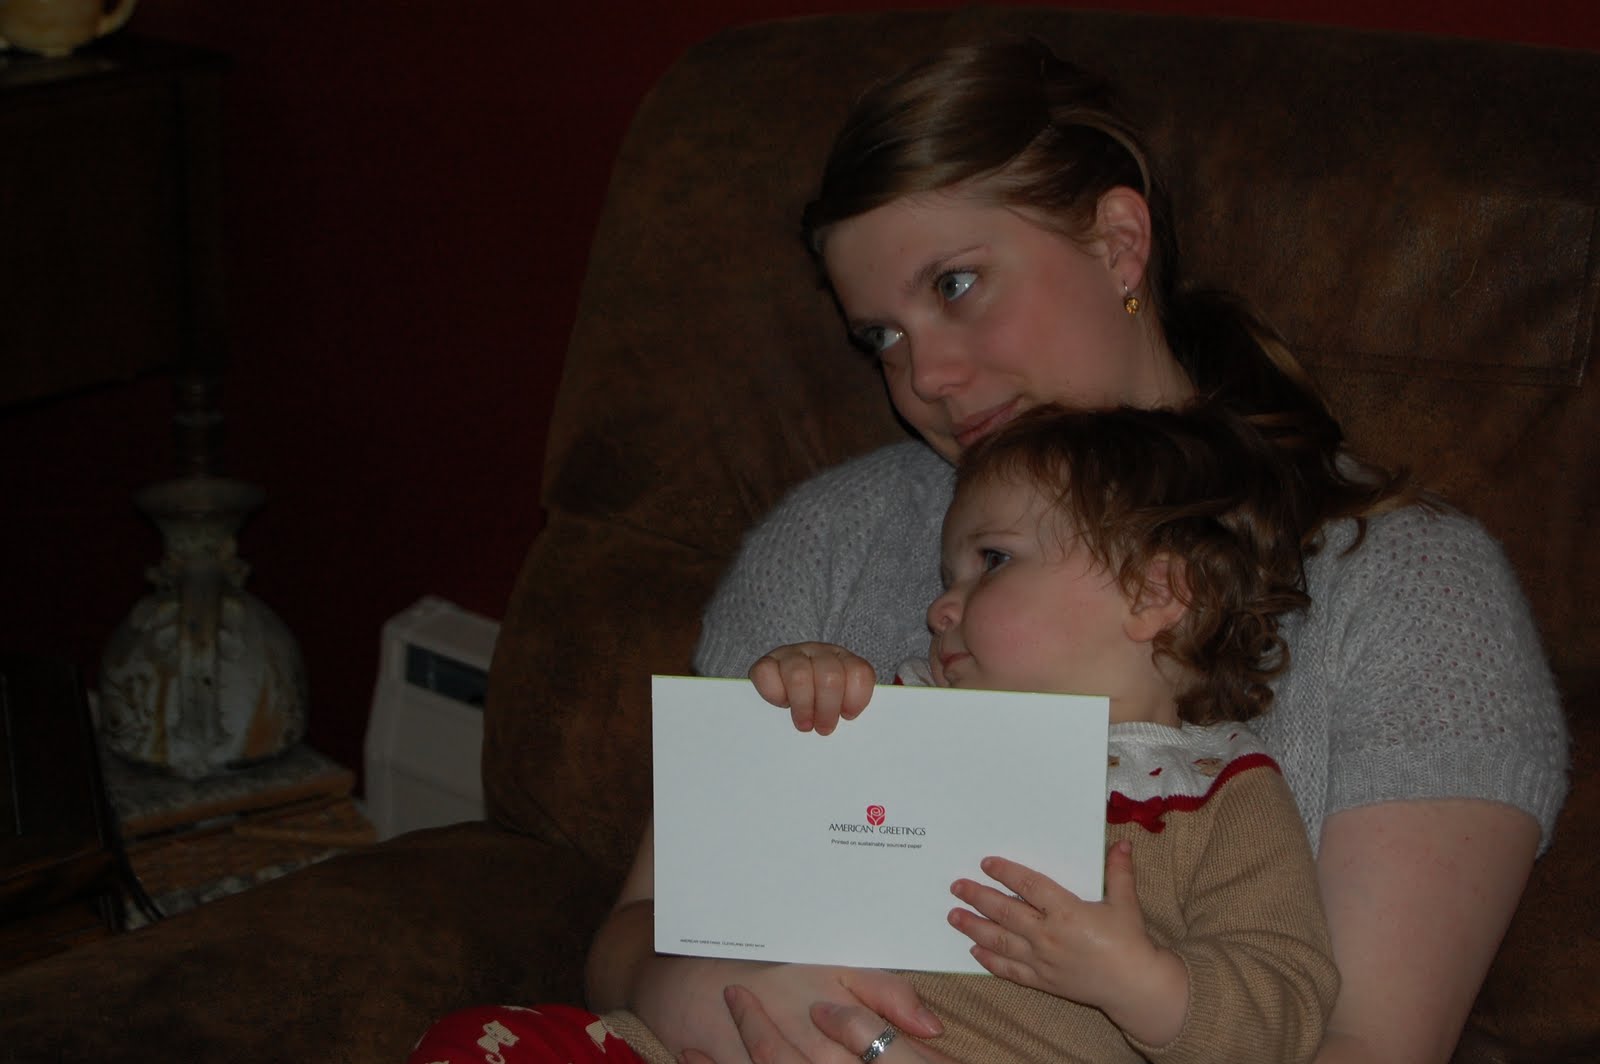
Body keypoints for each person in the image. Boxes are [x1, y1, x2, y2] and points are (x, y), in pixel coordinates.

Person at [585, 35, 1568, 1064]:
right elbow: (638, 928)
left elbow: (1365, 1045)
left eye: (955, 285)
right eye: (880, 336)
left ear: (1118, 242)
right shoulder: (826, 538)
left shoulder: (1410, 587)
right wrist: (724, 996)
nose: (924, 376)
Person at [749, 402, 1341, 1063]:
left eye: (993, 559)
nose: (938, 609)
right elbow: (758, 840)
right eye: (948, 578)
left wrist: (1136, 983)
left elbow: (1284, 1011)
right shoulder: (900, 711)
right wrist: (805, 694)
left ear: (1154, 594)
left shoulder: (1217, 792)